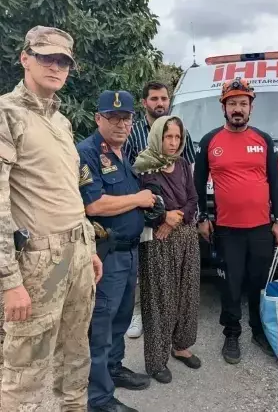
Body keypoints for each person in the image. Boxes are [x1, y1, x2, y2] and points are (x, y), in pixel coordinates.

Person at [0, 25, 102, 411]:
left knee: (75, 356)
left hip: (70, 258)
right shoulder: (6, 113)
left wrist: (88, 249)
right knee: (24, 372)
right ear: (25, 57)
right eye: (46, 57)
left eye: (63, 61)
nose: (55, 66)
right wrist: (9, 281)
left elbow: (69, 194)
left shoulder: (61, 122)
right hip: (39, 262)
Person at [193, 77, 278, 365]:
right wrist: (202, 217)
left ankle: (259, 331)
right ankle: (231, 333)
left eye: (243, 104)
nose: (238, 109)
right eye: (232, 103)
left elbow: (275, 182)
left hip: (260, 229)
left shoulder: (263, 139)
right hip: (227, 230)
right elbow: (198, 184)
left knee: (259, 283)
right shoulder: (210, 141)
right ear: (223, 107)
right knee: (230, 285)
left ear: (251, 108)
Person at [78, 90, 157, 412]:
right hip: (105, 253)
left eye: (126, 118)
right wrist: (139, 199)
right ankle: (98, 398)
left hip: (129, 251)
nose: (121, 124)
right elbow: (93, 203)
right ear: (98, 119)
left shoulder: (126, 153)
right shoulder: (87, 153)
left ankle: (114, 368)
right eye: (113, 119)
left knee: (122, 317)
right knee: (102, 324)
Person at [123, 81, 196, 339]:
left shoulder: (177, 129)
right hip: (145, 211)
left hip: (177, 217)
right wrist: (160, 214)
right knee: (145, 272)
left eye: (164, 98)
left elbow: (187, 174)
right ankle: (138, 314)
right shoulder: (133, 133)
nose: (160, 103)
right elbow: (129, 173)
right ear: (145, 102)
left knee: (168, 278)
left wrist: (177, 215)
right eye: (154, 98)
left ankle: (172, 326)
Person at [133, 116, 201, 383]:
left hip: (184, 236)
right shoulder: (144, 167)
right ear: (157, 136)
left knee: (187, 295)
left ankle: (180, 346)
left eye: (177, 137)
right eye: (167, 137)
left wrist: (176, 219)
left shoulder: (182, 164)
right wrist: (163, 218)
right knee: (160, 300)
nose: (173, 143)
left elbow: (193, 198)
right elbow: (142, 205)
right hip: (158, 242)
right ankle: (156, 360)